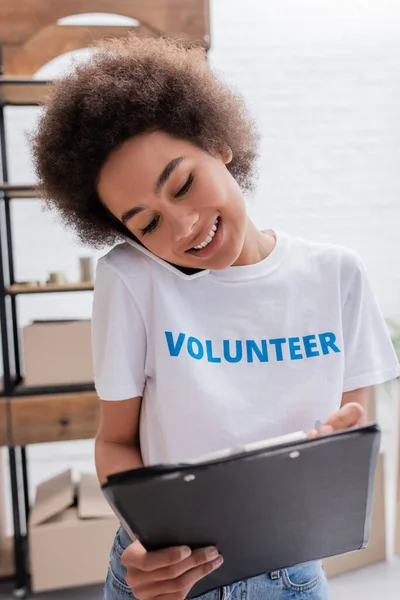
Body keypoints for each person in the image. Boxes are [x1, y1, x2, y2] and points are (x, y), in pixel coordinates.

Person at [31, 35, 400, 600]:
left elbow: (354, 430)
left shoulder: (337, 276)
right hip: (170, 577)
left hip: (295, 574)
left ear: (219, 143)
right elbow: (116, 443)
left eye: (182, 184)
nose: (181, 228)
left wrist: (338, 445)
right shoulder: (132, 280)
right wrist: (146, 541)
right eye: (146, 223)